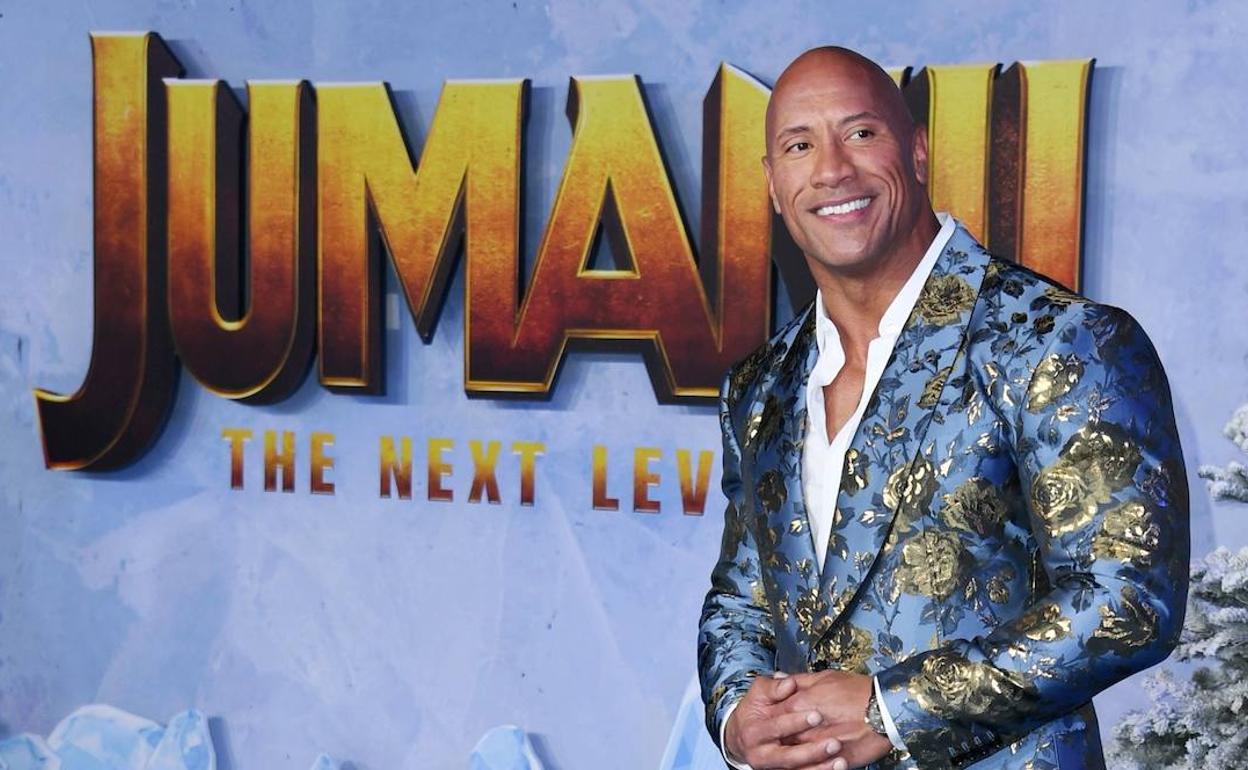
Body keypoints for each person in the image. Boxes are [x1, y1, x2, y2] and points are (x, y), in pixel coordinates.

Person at [697, 46, 1189, 770]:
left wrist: (891, 710)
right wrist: (738, 717)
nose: (832, 169)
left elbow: (1129, 599)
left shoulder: (1059, 340)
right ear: (773, 184)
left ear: (918, 151)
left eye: (860, 133)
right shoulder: (758, 385)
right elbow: (743, 598)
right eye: (799, 146)